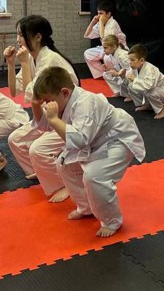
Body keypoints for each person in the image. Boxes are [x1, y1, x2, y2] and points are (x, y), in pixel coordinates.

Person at [34, 67, 145, 238]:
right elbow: (44, 125)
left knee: (94, 177)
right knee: (64, 165)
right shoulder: (64, 101)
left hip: (118, 139)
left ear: (65, 92)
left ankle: (111, 220)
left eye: (47, 101)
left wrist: (54, 119)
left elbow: (80, 140)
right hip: (95, 140)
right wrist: (36, 105)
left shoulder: (86, 103)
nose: (46, 105)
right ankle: (86, 207)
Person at [5, 15, 79, 203]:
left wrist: (23, 63)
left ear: (37, 37)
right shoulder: (32, 58)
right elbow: (14, 91)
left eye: (21, 35)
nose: (18, 39)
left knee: (37, 150)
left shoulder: (49, 60)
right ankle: (42, 172)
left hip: (70, 119)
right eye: (17, 35)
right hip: (51, 114)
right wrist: (11, 64)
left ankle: (65, 184)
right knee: (15, 140)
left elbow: (33, 96)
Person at [125, 43, 164, 120]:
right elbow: (130, 79)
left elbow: (149, 86)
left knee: (150, 91)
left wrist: (134, 79)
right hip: (152, 91)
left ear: (141, 60)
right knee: (131, 86)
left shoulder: (150, 69)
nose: (130, 62)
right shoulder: (135, 67)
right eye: (129, 60)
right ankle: (148, 105)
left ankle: (161, 110)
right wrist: (121, 75)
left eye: (132, 60)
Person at [83, 1, 127, 79]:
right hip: (106, 48)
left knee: (107, 58)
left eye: (101, 13)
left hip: (118, 49)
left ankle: (113, 75)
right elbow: (87, 35)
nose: (98, 16)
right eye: (98, 13)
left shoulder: (112, 23)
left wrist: (100, 23)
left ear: (108, 14)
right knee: (88, 54)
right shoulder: (101, 23)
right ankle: (101, 74)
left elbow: (106, 39)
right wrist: (93, 22)